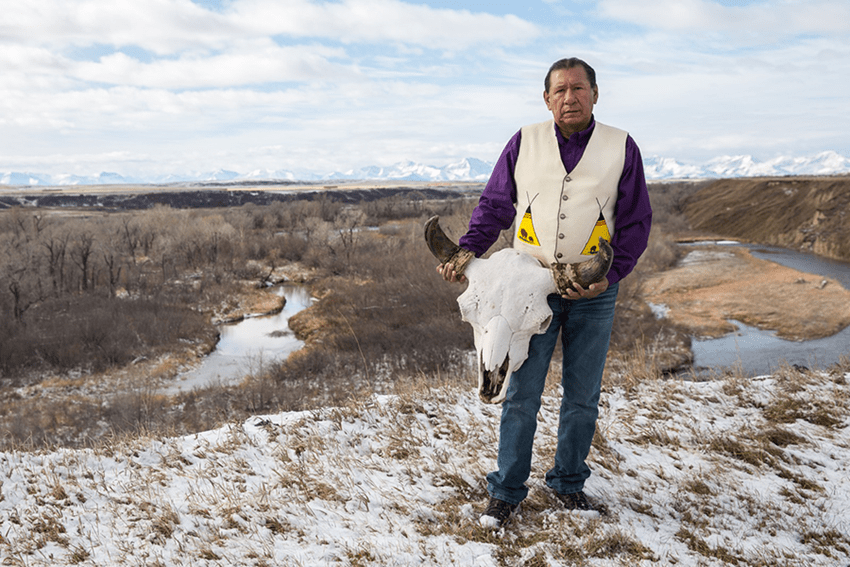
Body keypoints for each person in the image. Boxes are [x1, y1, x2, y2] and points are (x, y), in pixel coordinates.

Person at [438, 57, 652, 528]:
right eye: (560, 90)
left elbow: (636, 222)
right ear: (546, 97)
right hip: (525, 291)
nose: (569, 97)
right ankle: (507, 491)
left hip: (593, 289)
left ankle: (568, 483)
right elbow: (495, 205)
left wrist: (610, 276)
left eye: (578, 89)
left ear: (596, 93)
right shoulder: (523, 142)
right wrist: (468, 251)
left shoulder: (622, 147)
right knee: (521, 393)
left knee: (582, 395)